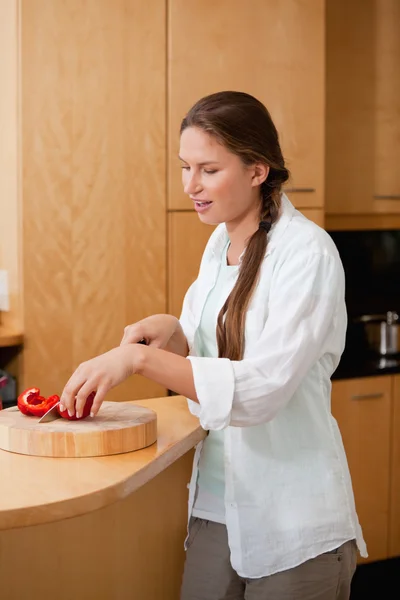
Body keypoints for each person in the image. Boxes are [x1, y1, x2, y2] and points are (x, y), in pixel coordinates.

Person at [59, 91, 367, 599]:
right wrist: (176, 333)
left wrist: (140, 358)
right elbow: (218, 355)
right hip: (217, 509)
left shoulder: (307, 253)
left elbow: (260, 390)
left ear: (257, 171)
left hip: (293, 523)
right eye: (185, 167)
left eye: (207, 169)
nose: (190, 186)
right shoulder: (221, 243)